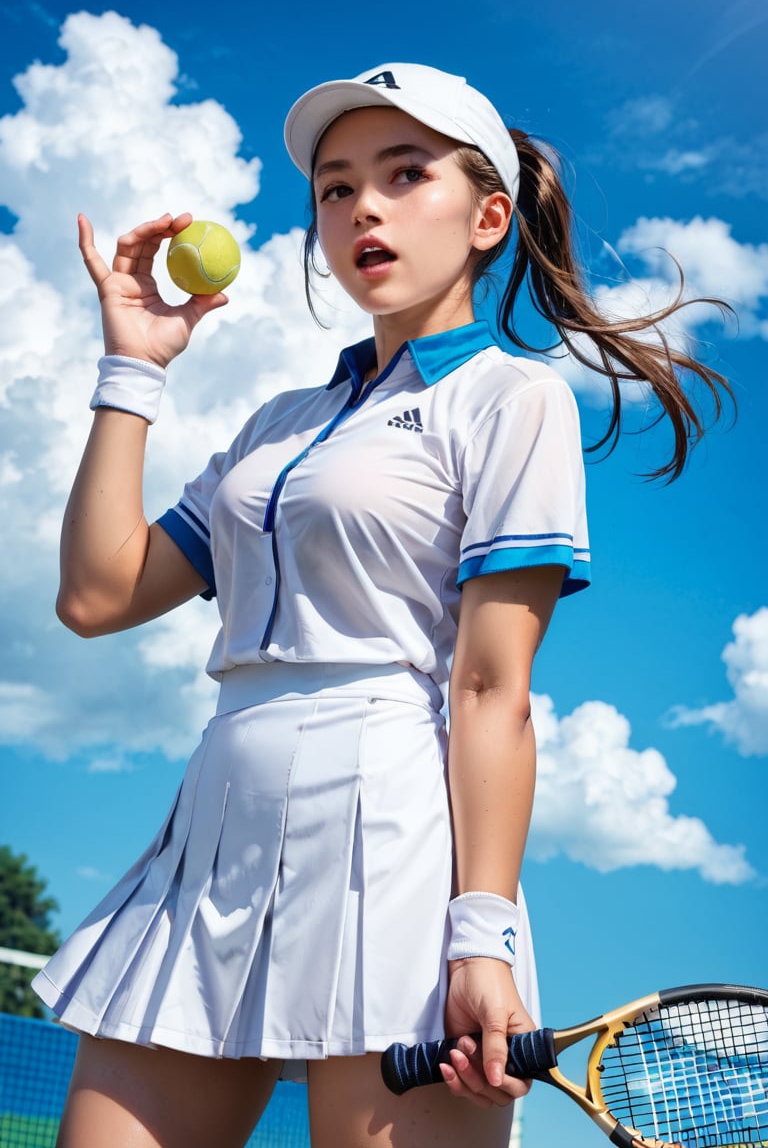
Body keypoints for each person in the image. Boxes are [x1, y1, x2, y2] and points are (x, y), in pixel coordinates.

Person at [33, 63, 731, 1148]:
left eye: (405, 175)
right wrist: (133, 366)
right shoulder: (277, 422)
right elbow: (97, 593)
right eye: (336, 187)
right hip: (212, 827)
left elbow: (493, 687)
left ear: (489, 215)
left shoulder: (514, 396)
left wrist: (481, 938)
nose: (363, 206)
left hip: (392, 841)